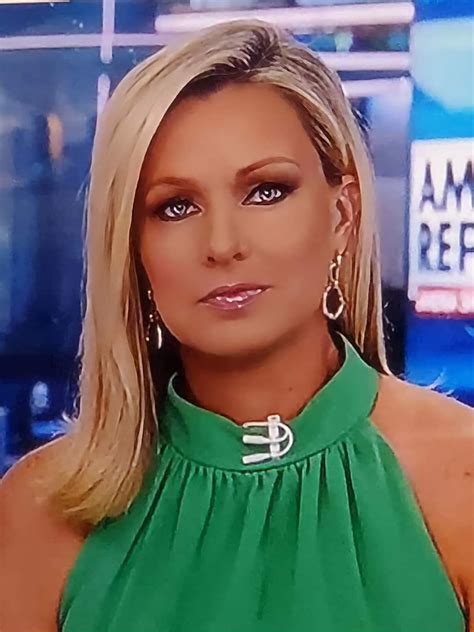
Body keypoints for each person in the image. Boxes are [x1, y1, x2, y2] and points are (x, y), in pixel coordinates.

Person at [0, 19, 472, 632]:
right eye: (175, 206)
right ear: (132, 249)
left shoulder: (460, 476)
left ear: (342, 215)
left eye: (266, 191)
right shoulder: (41, 511)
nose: (222, 244)